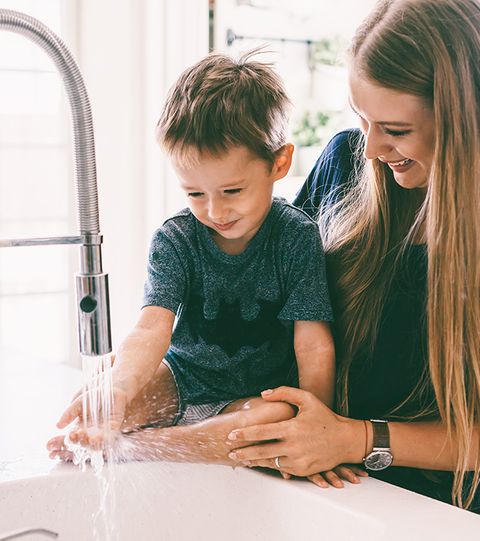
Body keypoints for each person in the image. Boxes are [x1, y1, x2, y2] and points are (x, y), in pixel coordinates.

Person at [48, 50, 365, 488]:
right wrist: (118, 389)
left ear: (279, 163)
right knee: (123, 389)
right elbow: (150, 331)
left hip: (255, 397)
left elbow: (313, 344)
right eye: (195, 193)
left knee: (275, 419)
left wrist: (317, 428)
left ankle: (144, 446)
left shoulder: (295, 238)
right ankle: (116, 429)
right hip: (182, 378)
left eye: (232, 190)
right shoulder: (176, 239)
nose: (215, 210)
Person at [224, 0, 480, 512]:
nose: (371, 149)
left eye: (396, 130)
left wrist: (356, 440)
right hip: (331, 494)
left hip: (442, 515)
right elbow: (258, 316)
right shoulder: (344, 163)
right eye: (362, 119)